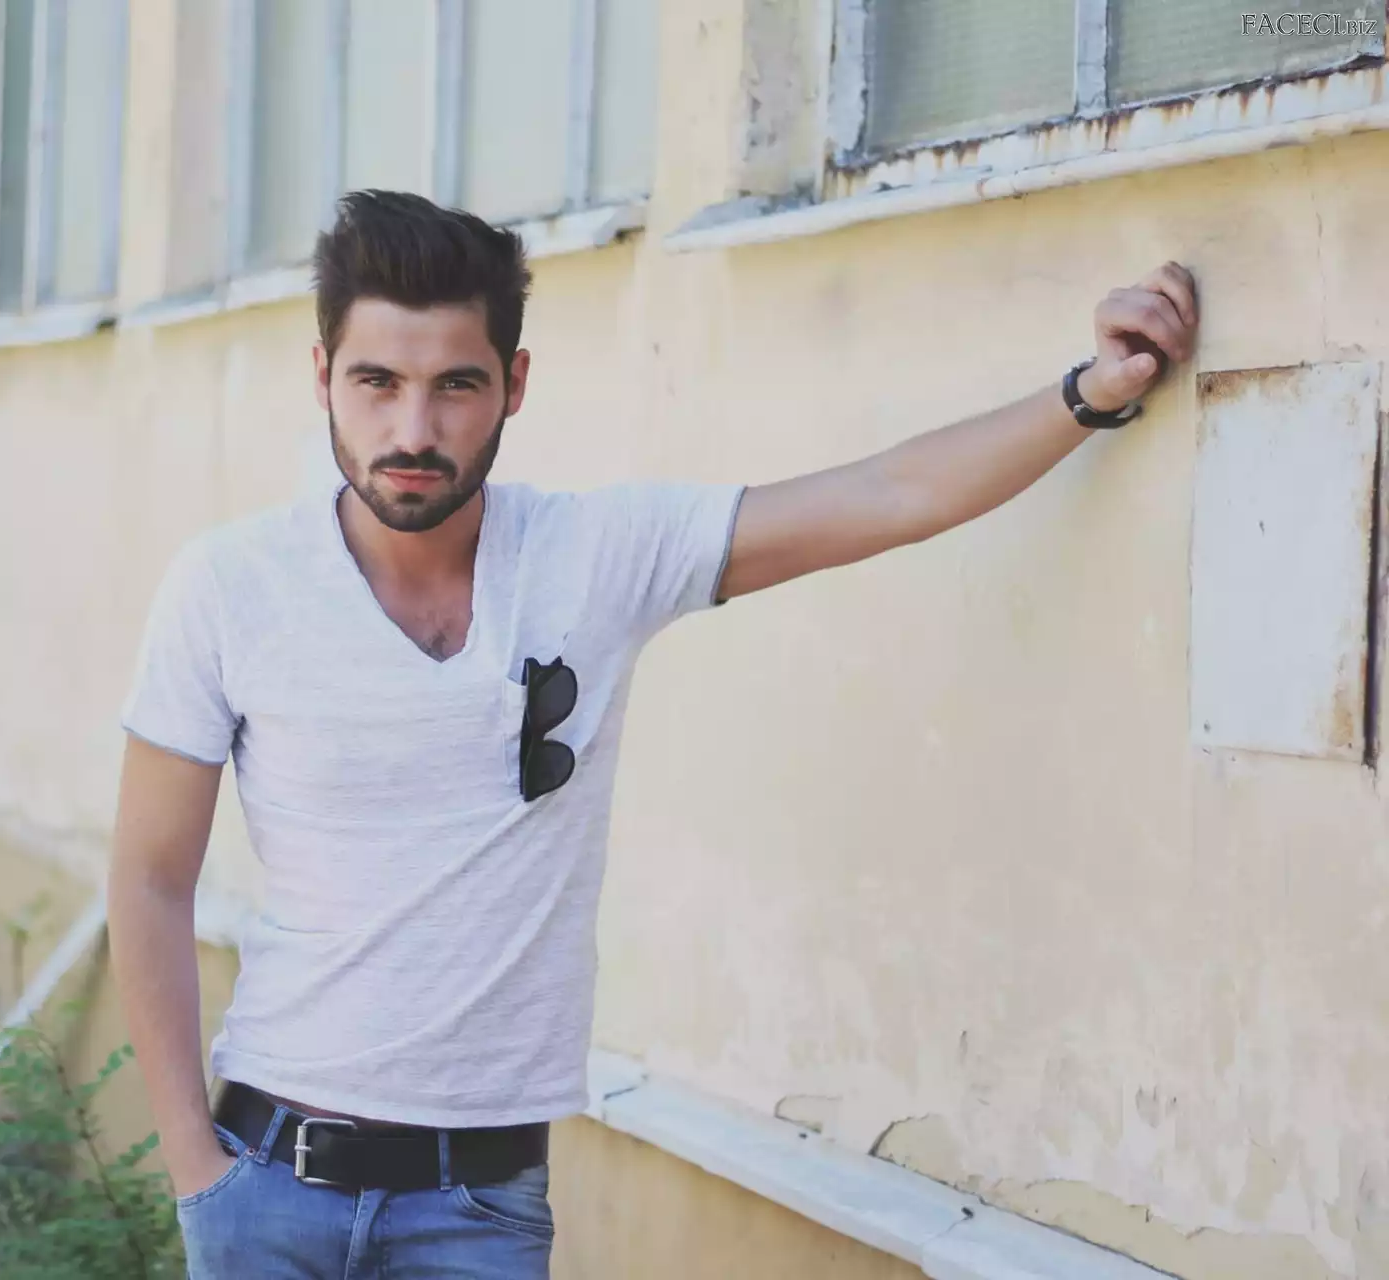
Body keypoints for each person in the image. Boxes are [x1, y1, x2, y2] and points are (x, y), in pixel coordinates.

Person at [109, 189, 1200, 1278]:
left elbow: (889, 492)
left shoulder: (595, 555)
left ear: (514, 385)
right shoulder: (230, 587)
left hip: (476, 1209)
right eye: (377, 382)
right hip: (268, 1185)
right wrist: (195, 1168)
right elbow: (150, 876)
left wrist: (1087, 394)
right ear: (322, 377)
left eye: (456, 386)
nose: (414, 432)